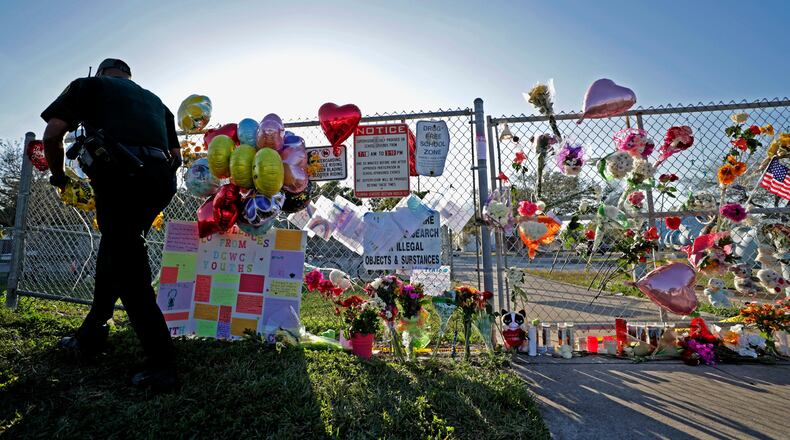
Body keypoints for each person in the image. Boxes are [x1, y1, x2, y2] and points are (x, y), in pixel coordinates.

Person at [41, 58, 181, 392]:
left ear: (103, 73)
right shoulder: (156, 101)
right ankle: (93, 333)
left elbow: (53, 133)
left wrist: (59, 176)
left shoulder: (88, 85)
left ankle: (162, 365)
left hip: (120, 177)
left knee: (129, 269)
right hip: (160, 181)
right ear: (129, 77)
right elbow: (176, 155)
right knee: (116, 249)